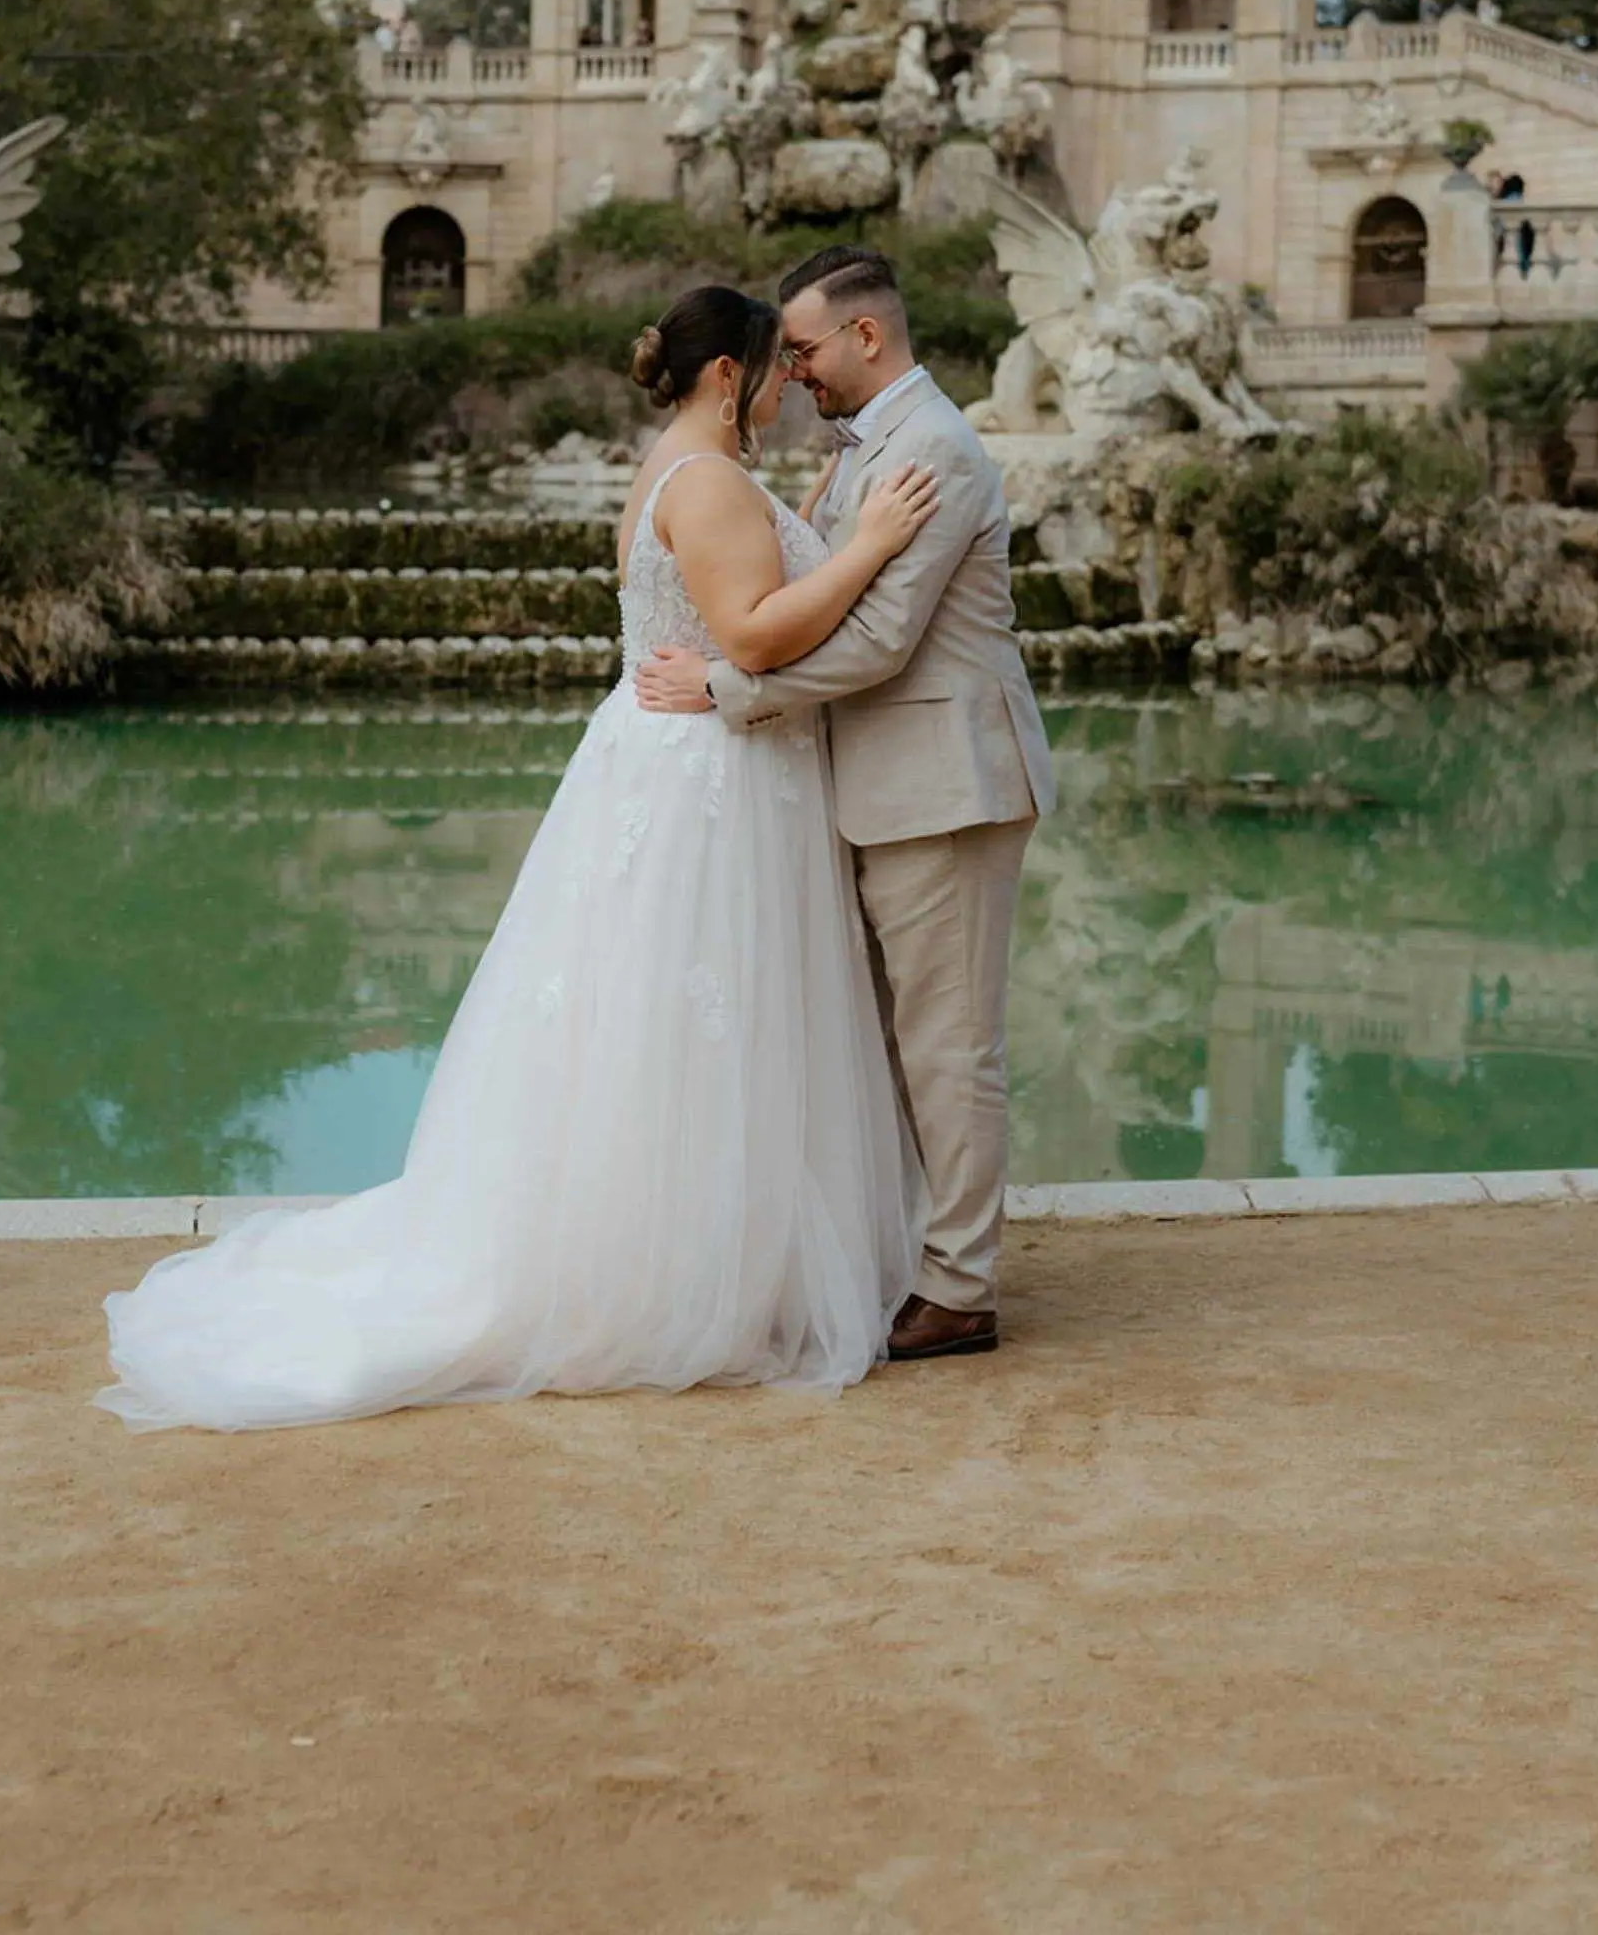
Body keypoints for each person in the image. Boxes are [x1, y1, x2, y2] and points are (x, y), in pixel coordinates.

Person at [99, 285, 936, 1431]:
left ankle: (692, 1243)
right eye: (774, 368)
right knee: (701, 1019)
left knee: (655, 1021)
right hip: (713, 779)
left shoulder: (669, 466)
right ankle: (687, 1271)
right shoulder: (709, 483)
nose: (791, 383)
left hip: (669, 762)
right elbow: (747, 635)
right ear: (727, 377)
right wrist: (874, 544)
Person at [637, 247, 1055, 1362]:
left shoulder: (935, 451)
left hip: (945, 786)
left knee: (947, 1044)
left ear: (867, 337)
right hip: (876, 784)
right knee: (887, 1041)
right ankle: (909, 1256)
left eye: (810, 348)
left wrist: (726, 690)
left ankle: (959, 1286)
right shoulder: (863, 449)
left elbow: (877, 641)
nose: (799, 370)